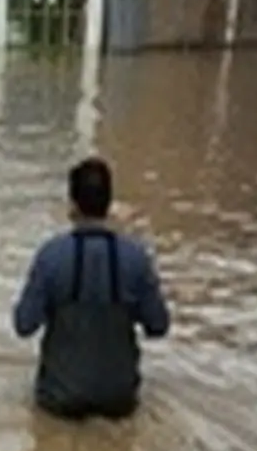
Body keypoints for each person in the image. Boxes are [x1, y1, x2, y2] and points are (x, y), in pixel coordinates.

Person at [13, 158, 170, 421]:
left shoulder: (50, 256)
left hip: (59, 400)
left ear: (72, 204)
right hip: (119, 402)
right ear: (109, 205)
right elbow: (159, 326)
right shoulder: (136, 258)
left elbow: (23, 325)